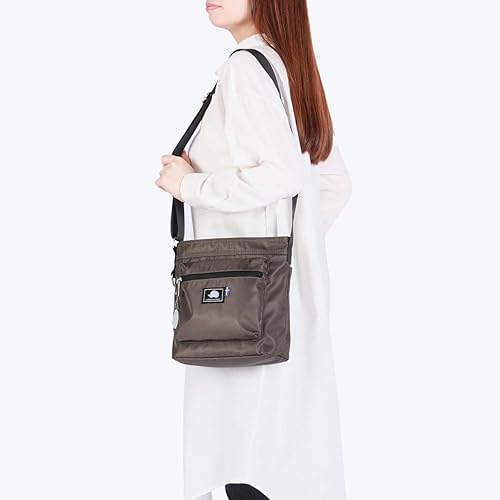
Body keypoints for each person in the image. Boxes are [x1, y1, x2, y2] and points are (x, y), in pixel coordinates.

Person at [155, 1, 352, 499]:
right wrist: (291, 254)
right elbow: (333, 183)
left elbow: (281, 175)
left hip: (237, 306)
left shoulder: (245, 68)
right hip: (278, 304)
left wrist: (190, 185)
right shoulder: (288, 68)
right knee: (270, 458)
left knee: (237, 454)